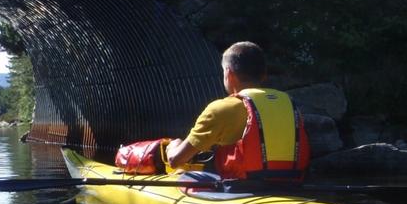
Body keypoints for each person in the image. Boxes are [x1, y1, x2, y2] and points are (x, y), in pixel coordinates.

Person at [116, 41, 310, 180]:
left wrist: (172, 145)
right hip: (289, 185)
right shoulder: (289, 104)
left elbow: (176, 160)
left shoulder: (222, 108)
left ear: (229, 74)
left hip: (241, 189)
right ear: (264, 75)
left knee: (181, 171)